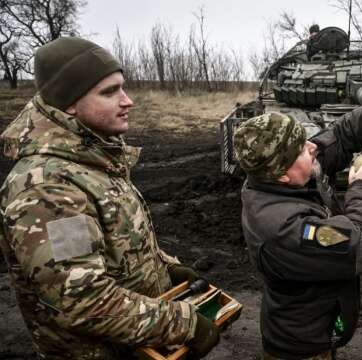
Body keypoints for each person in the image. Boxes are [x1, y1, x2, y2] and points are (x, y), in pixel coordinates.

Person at [0, 37, 219, 359]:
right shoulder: (48, 188)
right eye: (109, 92)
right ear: (70, 102)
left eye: (123, 87)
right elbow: (82, 300)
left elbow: (121, 244)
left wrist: (165, 269)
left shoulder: (92, 161)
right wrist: (183, 324)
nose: (127, 101)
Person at [234, 94, 362, 359]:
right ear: (281, 174)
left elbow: (340, 135)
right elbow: (357, 246)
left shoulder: (282, 176)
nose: (311, 148)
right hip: (301, 348)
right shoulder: (285, 229)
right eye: (301, 149)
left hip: (317, 326)